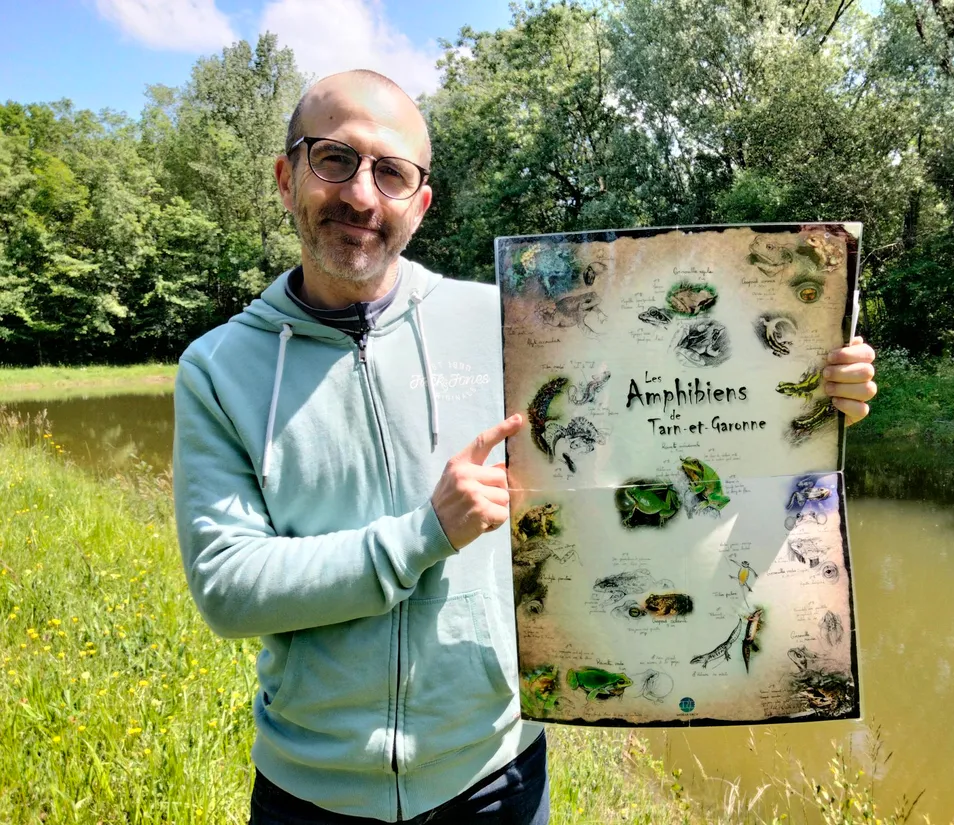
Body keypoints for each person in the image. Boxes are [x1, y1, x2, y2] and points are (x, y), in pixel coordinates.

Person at [172, 70, 878, 825]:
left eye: (391, 171)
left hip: (497, 778)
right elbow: (228, 586)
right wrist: (424, 534)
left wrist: (799, 395)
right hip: (310, 794)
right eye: (334, 159)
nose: (362, 196)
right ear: (287, 176)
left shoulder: (514, 326)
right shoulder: (219, 369)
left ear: (421, 201)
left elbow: (652, 433)